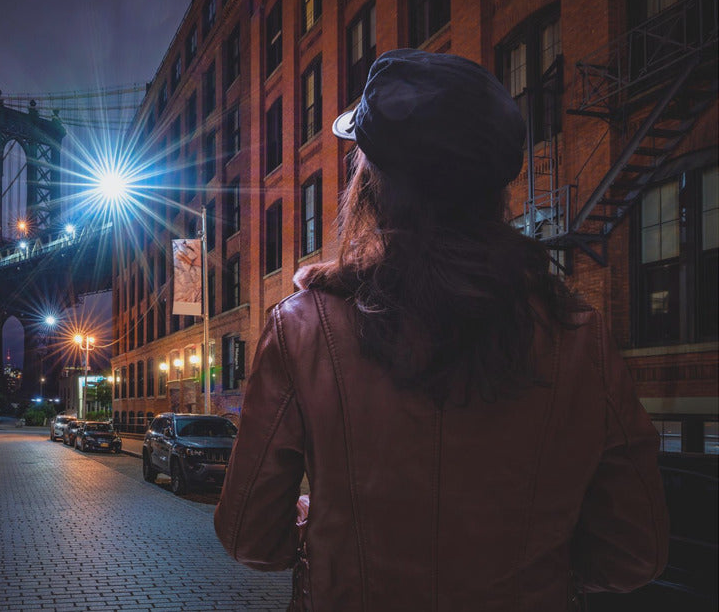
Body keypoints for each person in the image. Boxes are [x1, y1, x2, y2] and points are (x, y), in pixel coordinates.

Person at [213, 50, 668, 611]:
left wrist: (324, 530)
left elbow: (249, 537)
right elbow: (633, 554)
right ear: (495, 184)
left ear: (372, 178)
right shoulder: (577, 333)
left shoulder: (303, 327)